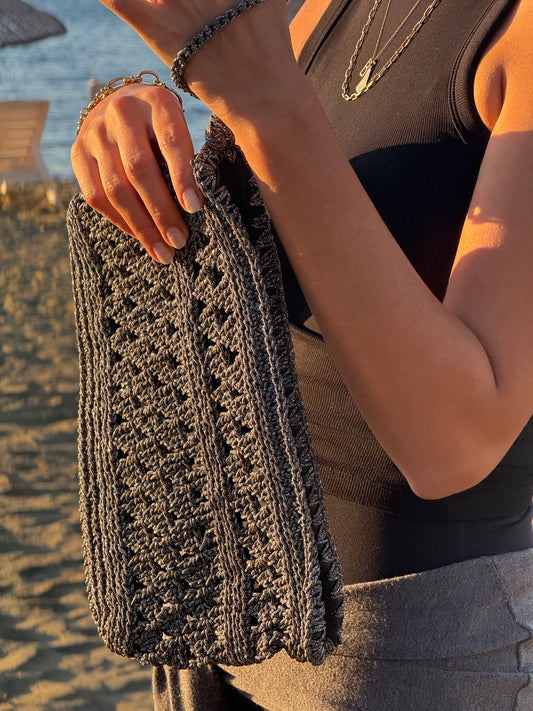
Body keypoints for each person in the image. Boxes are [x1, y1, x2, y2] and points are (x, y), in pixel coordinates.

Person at [71, 0, 533, 708]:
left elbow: (457, 443)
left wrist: (260, 96)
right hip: (226, 604)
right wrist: (132, 135)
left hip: (408, 647)